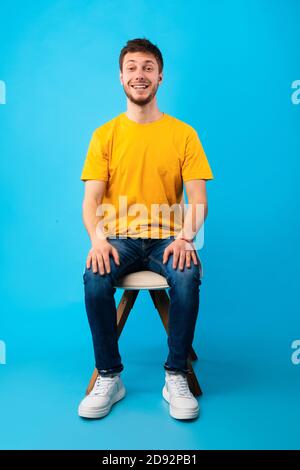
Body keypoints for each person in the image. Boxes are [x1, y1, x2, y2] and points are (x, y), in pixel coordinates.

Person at [78, 38, 214, 420]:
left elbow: (198, 199)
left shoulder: (183, 134)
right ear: (121, 77)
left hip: (167, 239)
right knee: (94, 277)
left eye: (148, 67)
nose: (140, 74)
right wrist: (98, 239)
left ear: (160, 76)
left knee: (187, 275)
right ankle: (109, 376)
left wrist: (186, 237)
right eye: (133, 67)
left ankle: (176, 374)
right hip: (118, 238)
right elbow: (91, 202)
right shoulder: (105, 135)